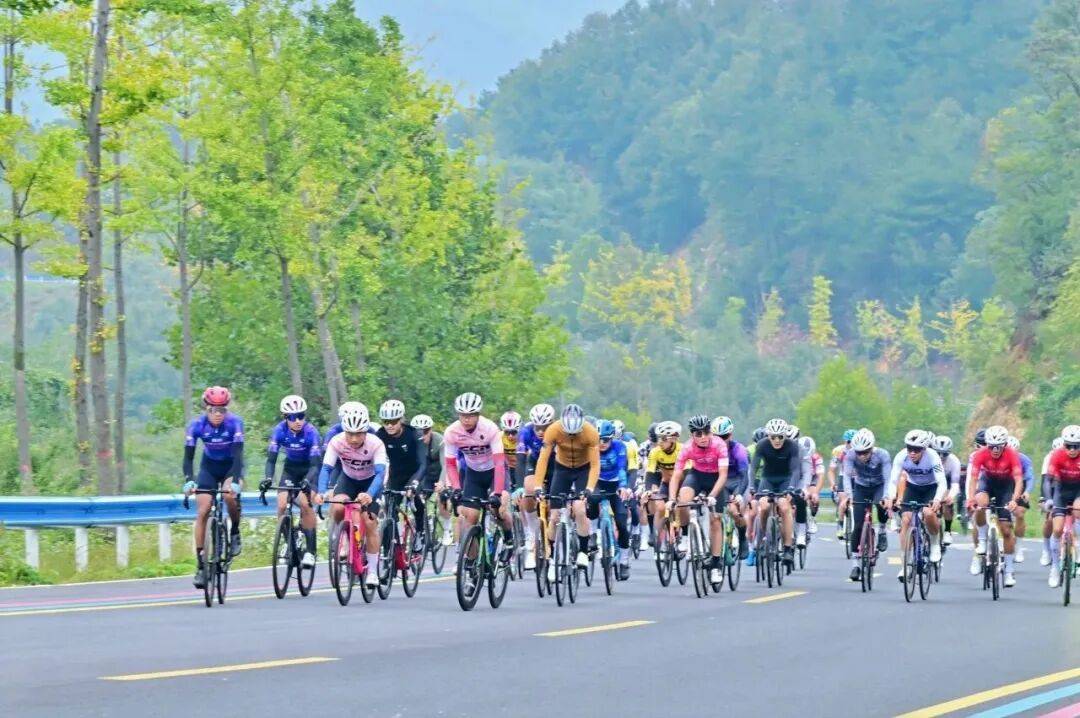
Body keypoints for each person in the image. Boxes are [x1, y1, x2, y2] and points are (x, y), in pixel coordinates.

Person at [316, 402, 387, 589]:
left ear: (366, 431)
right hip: (348, 479)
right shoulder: (337, 441)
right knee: (338, 506)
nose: (354, 439)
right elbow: (326, 468)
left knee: (369, 521)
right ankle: (343, 539)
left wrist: (370, 494)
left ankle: (372, 571)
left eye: (358, 434)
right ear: (344, 431)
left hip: (371, 481)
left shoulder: (375, 443)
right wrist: (321, 491)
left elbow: (380, 474)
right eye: (350, 434)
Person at [183, 386, 245, 589]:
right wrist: (189, 480)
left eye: (222, 410)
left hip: (230, 467)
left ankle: (235, 532)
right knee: (202, 511)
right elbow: (188, 457)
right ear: (206, 408)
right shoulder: (196, 425)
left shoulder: (235, 423)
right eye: (213, 410)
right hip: (208, 468)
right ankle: (201, 566)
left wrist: (235, 481)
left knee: (228, 496)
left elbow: (238, 456)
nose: (218, 414)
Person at [443, 393, 513, 572]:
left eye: (471, 415)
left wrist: (498, 493)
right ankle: (472, 561)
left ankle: (509, 540)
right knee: (470, 517)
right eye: (463, 415)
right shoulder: (452, 432)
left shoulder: (490, 429)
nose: (466, 419)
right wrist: (456, 489)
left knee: (498, 509)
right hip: (474, 474)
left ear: (478, 414)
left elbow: (499, 463)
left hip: (495, 472)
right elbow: (450, 464)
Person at [533, 404, 601, 575]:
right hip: (561, 469)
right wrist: (538, 486)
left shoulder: (591, 432)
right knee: (554, 515)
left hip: (584, 469)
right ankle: (552, 556)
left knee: (579, 508)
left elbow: (595, 465)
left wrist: (589, 488)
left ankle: (583, 551)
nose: (571, 436)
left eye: (575, 433)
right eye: (568, 433)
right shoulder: (553, 430)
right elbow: (543, 459)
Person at [260, 395, 320, 569]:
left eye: (301, 416)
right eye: (293, 417)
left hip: (310, 469)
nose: (298, 421)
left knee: (305, 503)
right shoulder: (279, 431)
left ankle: (310, 551)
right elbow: (271, 460)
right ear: (285, 417)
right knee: (281, 504)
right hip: (291, 469)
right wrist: (268, 478)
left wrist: (307, 481)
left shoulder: (311, 432)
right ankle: (289, 542)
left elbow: (316, 465)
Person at [668, 414, 729, 584]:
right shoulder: (687, 447)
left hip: (716, 480)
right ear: (692, 435)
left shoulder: (719, 444)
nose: (703, 437)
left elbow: (723, 475)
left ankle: (716, 564)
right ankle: (685, 537)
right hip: (697, 476)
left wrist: (712, 496)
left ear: (711, 432)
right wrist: (671, 498)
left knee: (715, 520)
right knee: (682, 501)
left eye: (706, 432)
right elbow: (676, 475)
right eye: (698, 434)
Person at [965, 425, 1024, 587]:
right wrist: (970, 499)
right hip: (988, 482)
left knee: (1006, 530)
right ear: (987, 445)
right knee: (980, 503)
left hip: (1006, 487)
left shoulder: (1012, 454)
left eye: (999, 447)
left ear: (1005, 445)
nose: (995, 450)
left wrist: (1014, 500)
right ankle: (982, 540)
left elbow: (1018, 480)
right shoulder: (980, 454)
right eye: (992, 447)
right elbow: (973, 479)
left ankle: (1009, 570)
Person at [885, 429, 946, 582]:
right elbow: (893, 480)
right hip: (913, 488)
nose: (912, 452)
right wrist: (890, 497)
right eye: (909, 448)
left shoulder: (932, 457)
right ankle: (905, 565)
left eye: (916, 450)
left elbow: (942, 482)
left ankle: (934, 544)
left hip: (931, 488)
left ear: (924, 449)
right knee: (906, 519)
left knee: (929, 513)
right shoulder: (901, 456)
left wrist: (937, 499)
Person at [376, 399, 428, 551]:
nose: (389, 425)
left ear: (401, 420)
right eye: (386, 422)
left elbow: (423, 463)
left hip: (415, 473)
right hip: (396, 475)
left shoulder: (414, 434)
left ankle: (420, 532)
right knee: (390, 509)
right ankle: (392, 546)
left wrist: (414, 484)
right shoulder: (380, 435)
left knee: (416, 500)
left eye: (393, 421)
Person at [841, 428, 892, 582]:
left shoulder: (882, 455)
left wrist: (886, 497)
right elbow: (846, 476)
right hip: (861, 487)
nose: (862, 456)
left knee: (881, 505)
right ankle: (855, 565)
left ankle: (882, 530)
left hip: (878, 486)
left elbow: (888, 479)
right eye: (859, 452)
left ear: (872, 448)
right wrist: (849, 496)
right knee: (857, 525)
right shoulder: (850, 455)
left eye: (865, 452)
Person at [749, 418, 801, 568]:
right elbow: (753, 468)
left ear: (785, 436)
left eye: (780, 437)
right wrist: (752, 486)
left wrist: (791, 488)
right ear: (768, 436)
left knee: (784, 507)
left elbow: (795, 470)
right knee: (764, 507)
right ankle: (764, 538)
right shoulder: (762, 445)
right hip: (768, 480)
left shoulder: (792, 446)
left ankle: (787, 548)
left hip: (785, 480)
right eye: (773, 437)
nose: (777, 440)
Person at [590, 419, 633, 579]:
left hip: (616, 484)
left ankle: (624, 561)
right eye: (598, 440)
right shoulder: (591, 448)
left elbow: (622, 468)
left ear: (611, 438)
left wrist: (623, 486)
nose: (602, 443)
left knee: (621, 523)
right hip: (598, 482)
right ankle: (593, 534)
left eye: (605, 440)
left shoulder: (619, 447)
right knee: (591, 498)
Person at [517, 403, 555, 570]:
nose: (540, 431)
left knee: (555, 505)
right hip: (535, 462)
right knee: (529, 491)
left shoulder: (559, 431)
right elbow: (520, 459)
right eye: (537, 427)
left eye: (544, 427)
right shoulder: (525, 432)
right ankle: (532, 537)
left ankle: (553, 540)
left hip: (555, 466)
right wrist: (519, 486)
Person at [1046, 426, 1080, 588]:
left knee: (1078, 510)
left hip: (1079, 490)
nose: (1072, 450)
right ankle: (1054, 567)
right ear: (1063, 444)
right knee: (1057, 530)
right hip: (1061, 490)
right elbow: (1048, 480)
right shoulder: (1057, 455)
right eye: (1068, 446)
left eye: (1076, 446)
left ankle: (1077, 547)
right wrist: (1048, 499)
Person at [713, 416, 750, 560]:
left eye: (724, 437)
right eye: (717, 437)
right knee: (715, 514)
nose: (721, 441)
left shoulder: (739, 450)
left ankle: (742, 538)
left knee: (734, 511)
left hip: (737, 482)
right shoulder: (710, 450)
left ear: (731, 435)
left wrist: (739, 494)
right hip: (721, 482)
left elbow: (745, 476)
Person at [412, 414, 451, 546]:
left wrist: (442, 483)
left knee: (441, 498)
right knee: (417, 498)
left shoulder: (439, 440)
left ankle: (447, 529)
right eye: (419, 432)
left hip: (440, 473)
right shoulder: (413, 443)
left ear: (430, 430)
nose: (423, 435)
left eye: (425, 431)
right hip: (426, 476)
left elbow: (445, 465)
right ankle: (423, 528)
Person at [643, 421, 682, 552]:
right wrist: (648, 490)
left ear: (673, 439)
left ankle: (680, 532)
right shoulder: (655, 452)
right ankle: (656, 534)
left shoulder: (682, 450)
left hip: (682, 484)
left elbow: (688, 472)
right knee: (660, 506)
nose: (660, 441)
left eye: (664, 439)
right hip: (665, 483)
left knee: (679, 506)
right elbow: (650, 473)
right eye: (659, 438)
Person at [1006, 436, 1034, 563]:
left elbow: (1030, 477)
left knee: (1020, 513)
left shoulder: (1024, 460)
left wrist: (1027, 491)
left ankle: (1019, 546)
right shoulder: (999, 459)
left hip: (1020, 485)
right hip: (1005, 485)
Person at [1039, 437, 1064, 566]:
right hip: (1053, 487)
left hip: (1069, 486)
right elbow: (1045, 481)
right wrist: (1044, 498)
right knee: (1049, 519)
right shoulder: (1049, 458)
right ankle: (1046, 549)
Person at [829, 429, 856, 539]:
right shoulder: (839, 451)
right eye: (849, 441)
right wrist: (832, 484)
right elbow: (831, 470)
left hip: (858, 478)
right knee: (844, 501)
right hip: (844, 477)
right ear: (845, 441)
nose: (851, 444)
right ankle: (840, 525)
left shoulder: (861, 450)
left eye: (853, 442)